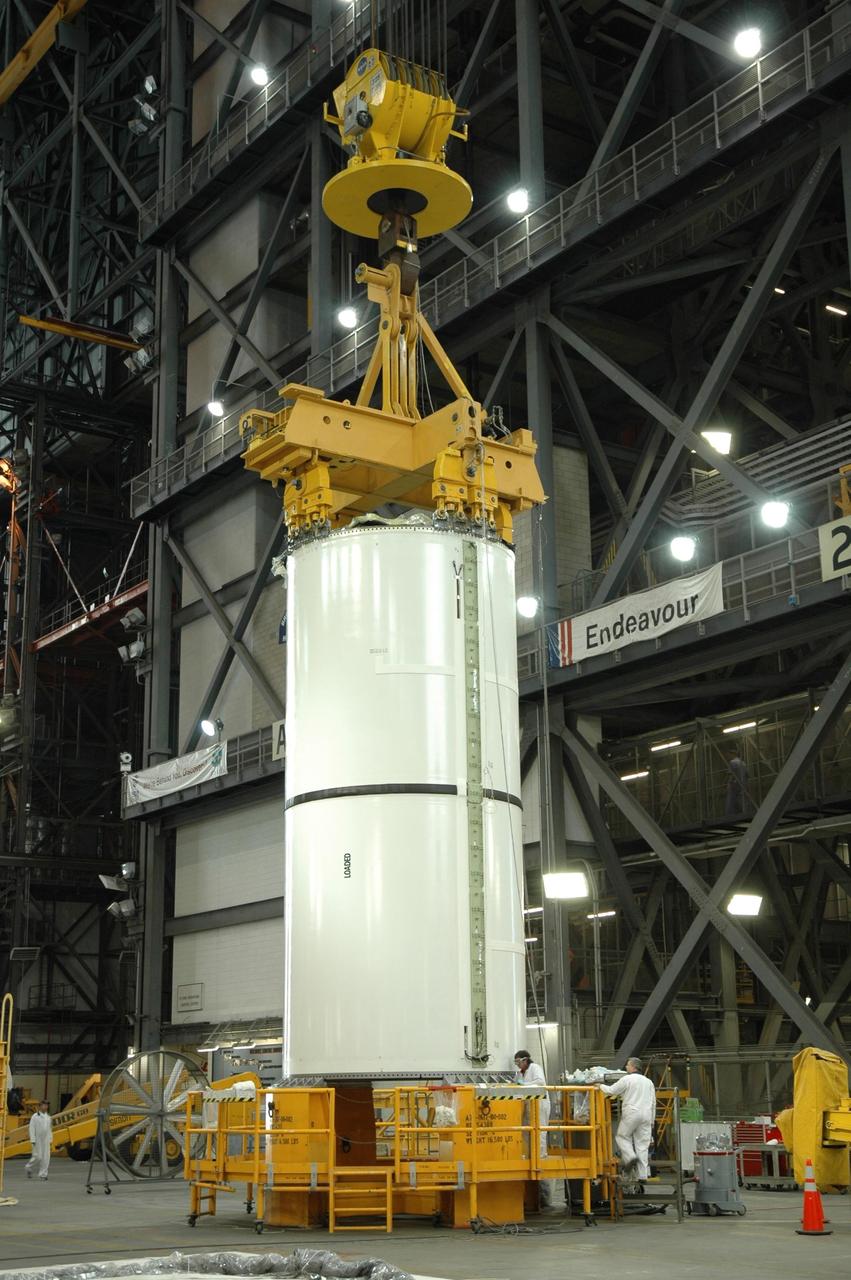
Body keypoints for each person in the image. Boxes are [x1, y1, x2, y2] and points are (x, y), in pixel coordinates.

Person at [599, 1057, 656, 1180]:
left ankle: (630, 1157)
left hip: (632, 1113)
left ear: (633, 1067)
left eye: (628, 1065)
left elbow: (611, 1090)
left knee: (622, 1136)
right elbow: (653, 1102)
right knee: (642, 1146)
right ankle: (643, 1176)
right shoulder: (649, 1082)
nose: (626, 1067)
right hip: (646, 1115)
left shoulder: (627, 1079)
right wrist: (652, 1120)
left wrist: (600, 1086)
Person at [514, 1049, 552, 1207]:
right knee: (527, 1131)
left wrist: (524, 1085)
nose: (518, 1065)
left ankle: (540, 1156)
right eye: (516, 1063)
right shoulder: (520, 1074)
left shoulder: (535, 1068)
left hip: (540, 1103)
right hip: (528, 1105)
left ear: (525, 1060)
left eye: (519, 1062)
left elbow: (540, 1083)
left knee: (539, 1131)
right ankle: (530, 1154)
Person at [26, 1099, 52, 1180]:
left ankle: (43, 1174)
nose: (45, 1107)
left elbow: (49, 1129)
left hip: (46, 1139)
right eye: (44, 1105)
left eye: (46, 1105)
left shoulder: (48, 1117)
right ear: (40, 1106)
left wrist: (50, 1139)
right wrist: (33, 1139)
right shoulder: (35, 1116)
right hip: (37, 1139)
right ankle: (29, 1167)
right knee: (38, 1156)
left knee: (46, 1157)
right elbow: (31, 1128)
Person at [724, 745, 750, 818]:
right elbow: (747, 775)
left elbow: (731, 775)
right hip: (743, 785)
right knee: (742, 802)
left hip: (734, 786)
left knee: (730, 803)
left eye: (728, 754)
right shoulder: (743, 763)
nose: (727, 756)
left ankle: (730, 817)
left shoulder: (732, 762)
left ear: (732, 754)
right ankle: (744, 814)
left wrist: (728, 785)